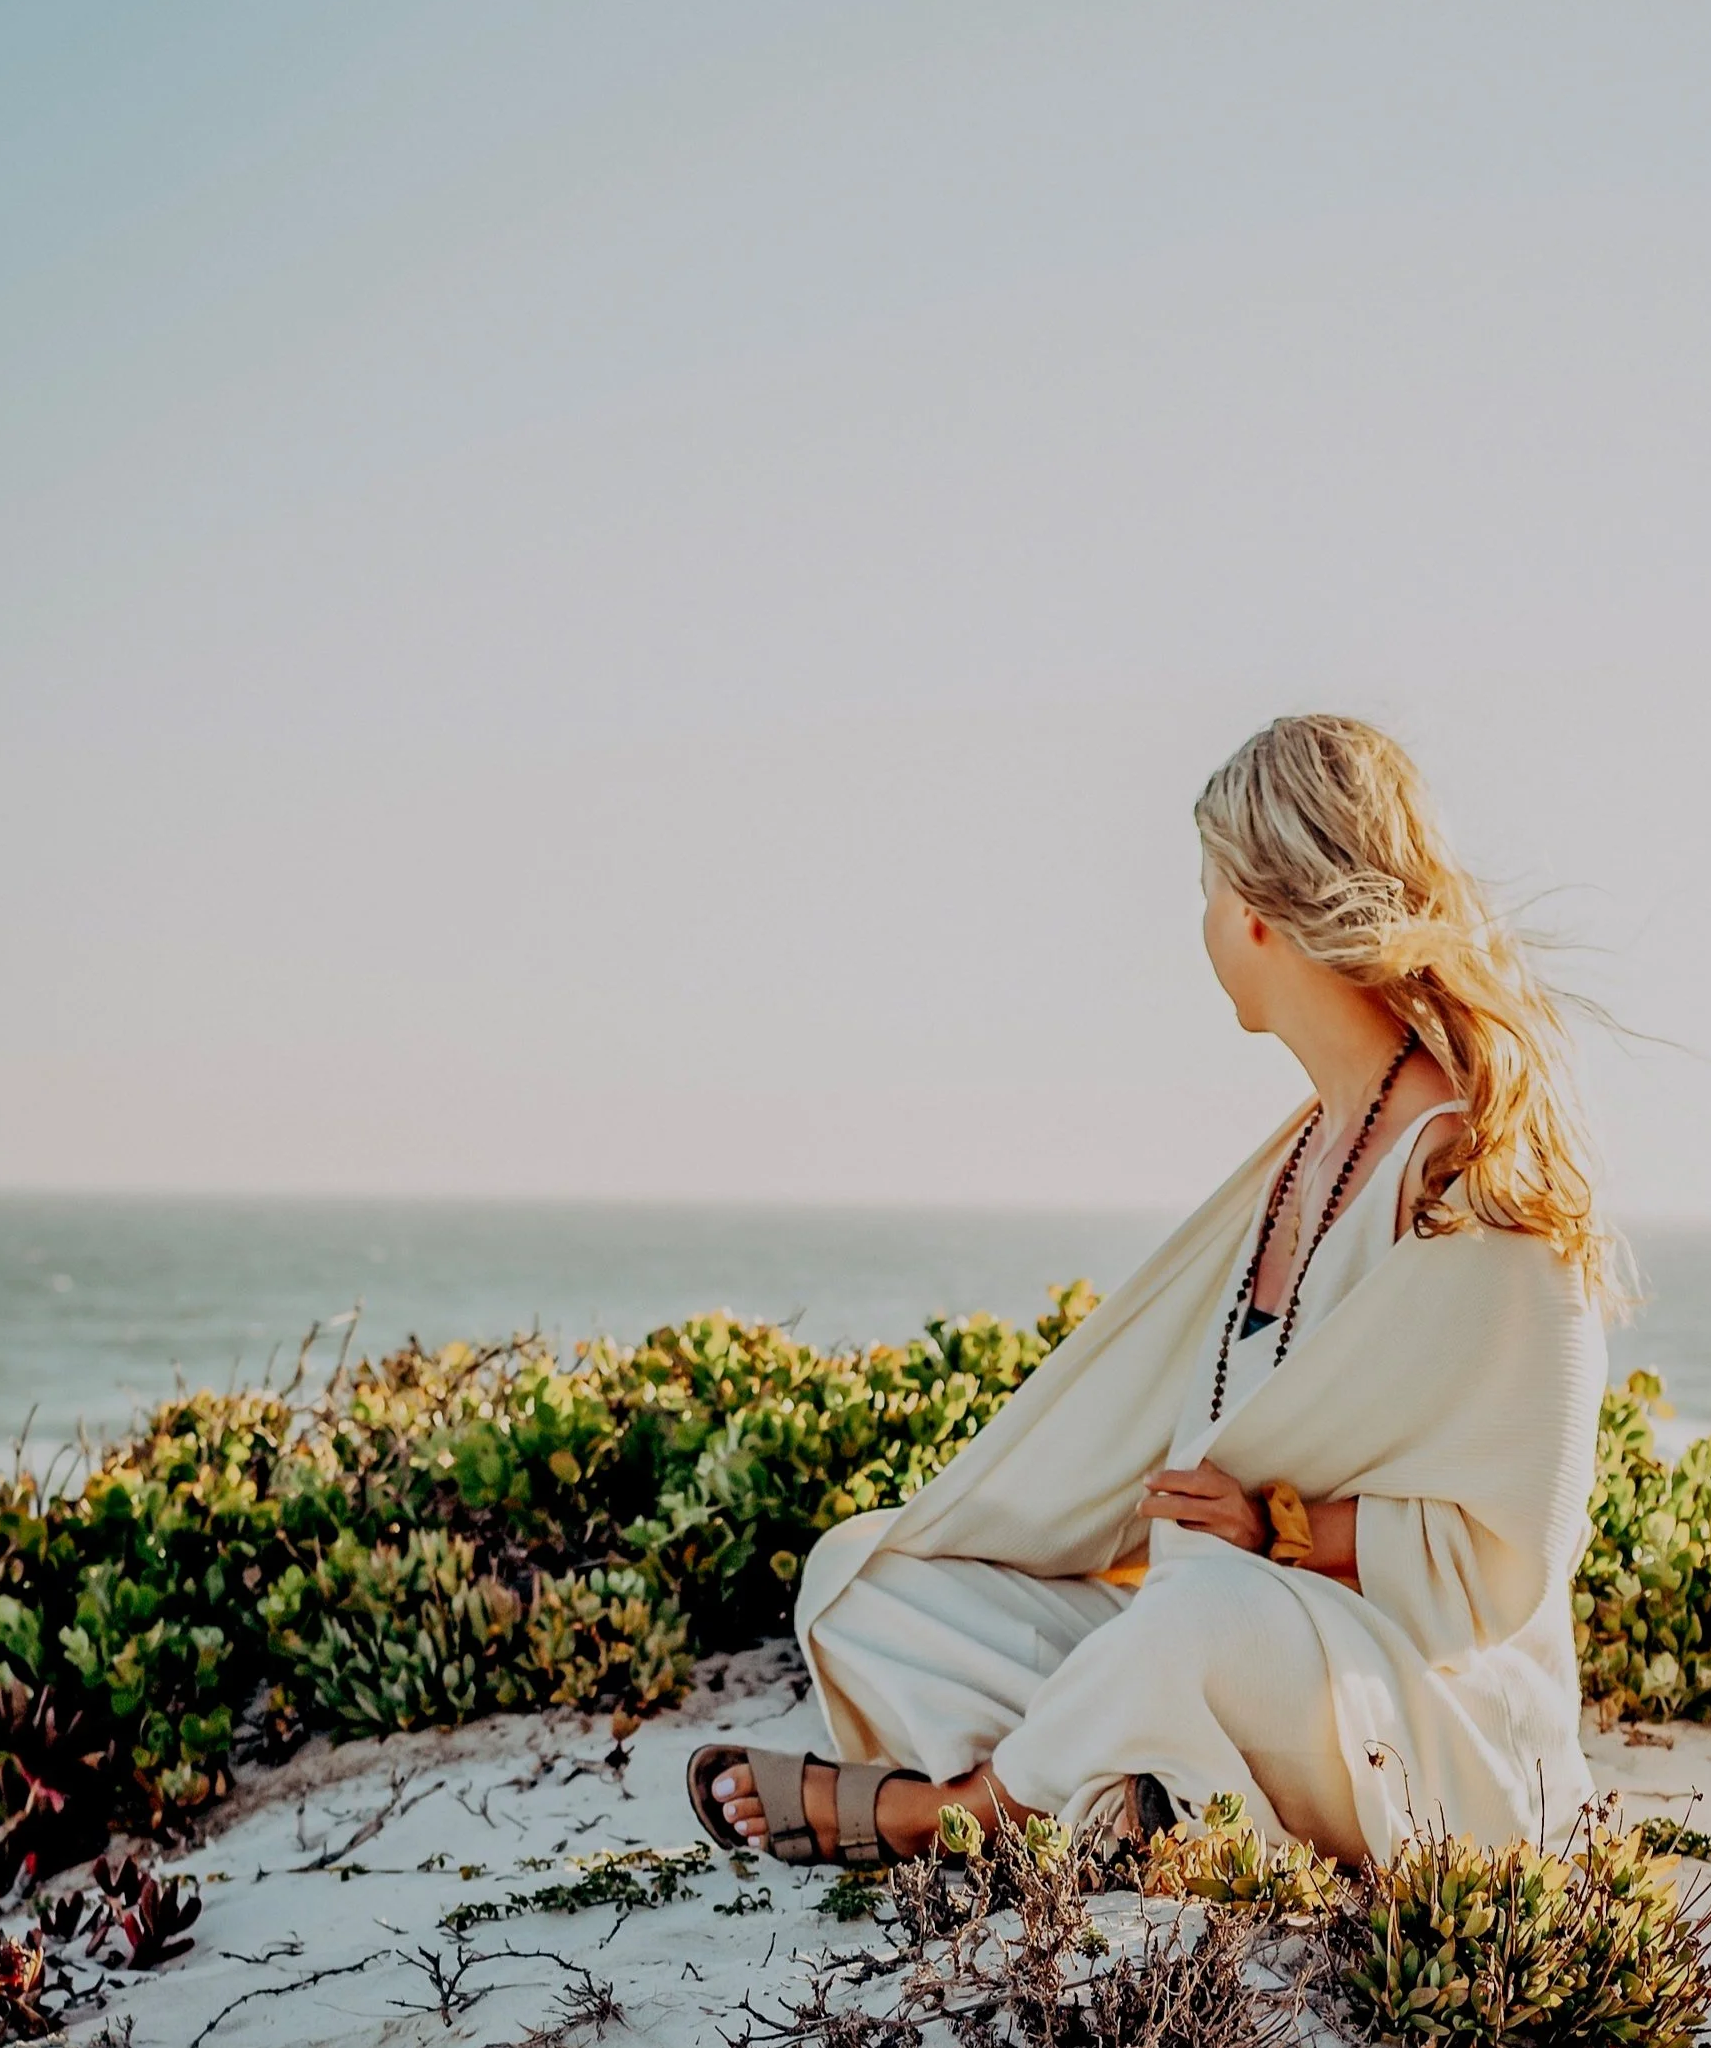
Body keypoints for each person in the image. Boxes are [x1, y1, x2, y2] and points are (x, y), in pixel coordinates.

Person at [686, 714, 1609, 1875]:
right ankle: (1131, 1800)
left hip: (1420, 1713)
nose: (1204, 926)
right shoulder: (1301, 1158)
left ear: (1261, 914)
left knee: (1193, 1625)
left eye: (1208, 891)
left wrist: (1282, 1527)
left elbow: (1508, 1554)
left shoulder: (1466, 1177)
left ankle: (958, 1813)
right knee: (865, 1583)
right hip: (1220, 1638)